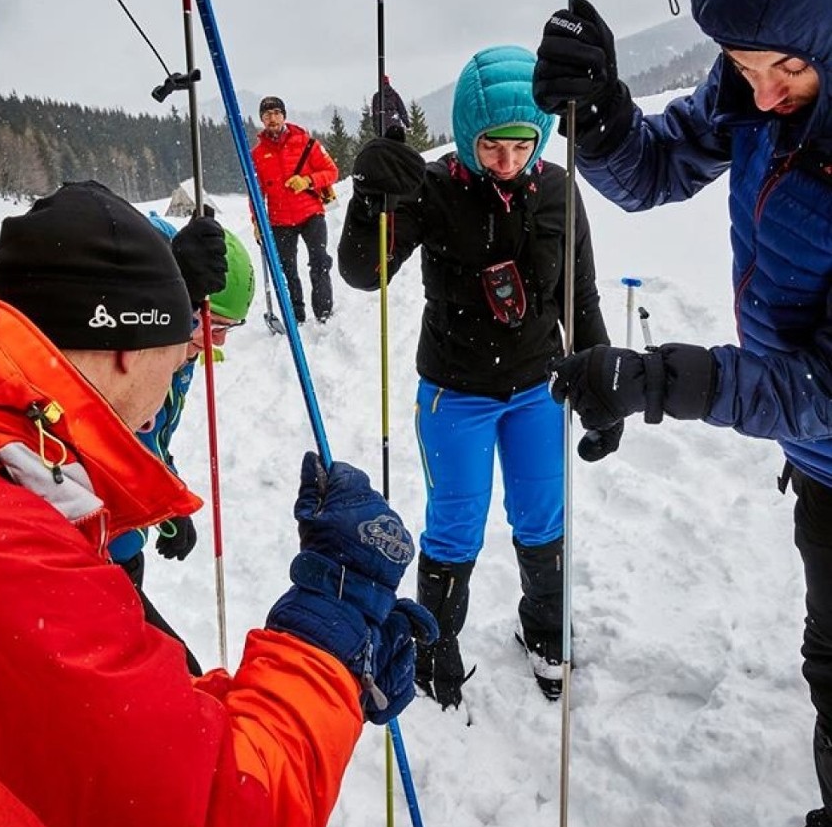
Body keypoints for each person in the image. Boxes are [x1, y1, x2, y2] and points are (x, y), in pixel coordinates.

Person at [0, 178, 435, 827]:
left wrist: (316, 679)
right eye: (185, 342)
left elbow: (108, 722)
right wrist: (326, 636)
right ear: (124, 346)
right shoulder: (4, 545)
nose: (196, 355)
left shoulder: (19, 480)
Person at [532, 0, 832, 827]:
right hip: (820, 465)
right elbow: (657, 169)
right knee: (830, 659)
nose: (763, 90)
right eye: (745, 65)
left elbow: (824, 388)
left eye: (788, 66)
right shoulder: (755, 87)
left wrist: (659, 381)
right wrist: (607, 116)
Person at [338, 45, 617, 709]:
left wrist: (604, 389)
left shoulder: (555, 190)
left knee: (541, 517)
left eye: (522, 148)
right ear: (468, 133)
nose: (508, 163)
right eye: (493, 147)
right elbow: (361, 270)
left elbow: (580, 300)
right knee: (456, 524)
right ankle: (437, 639)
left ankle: (546, 627)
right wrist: (369, 198)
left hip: (537, 391)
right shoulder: (431, 187)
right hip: (454, 393)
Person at [109, 219, 257, 674]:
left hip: (125, 544)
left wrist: (169, 501)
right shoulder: (129, 340)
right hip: (93, 554)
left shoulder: (181, 352)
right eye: (215, 326)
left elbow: (153, 439)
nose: (219, 343)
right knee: (175, 683)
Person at [251, 94, 338, 323]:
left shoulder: (306, 143)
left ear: (284, 116)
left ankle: (324, 312)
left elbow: (332, 172)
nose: (273, 118)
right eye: (267, 114)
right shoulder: (257, 155)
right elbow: (256, 194)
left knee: (319, 261)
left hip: (311, 213)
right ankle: (295, 316)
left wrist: (307, 181)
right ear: (262, 119)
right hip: (279, 220)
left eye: (277, 113)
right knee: (288, 271)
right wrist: (257, 223)